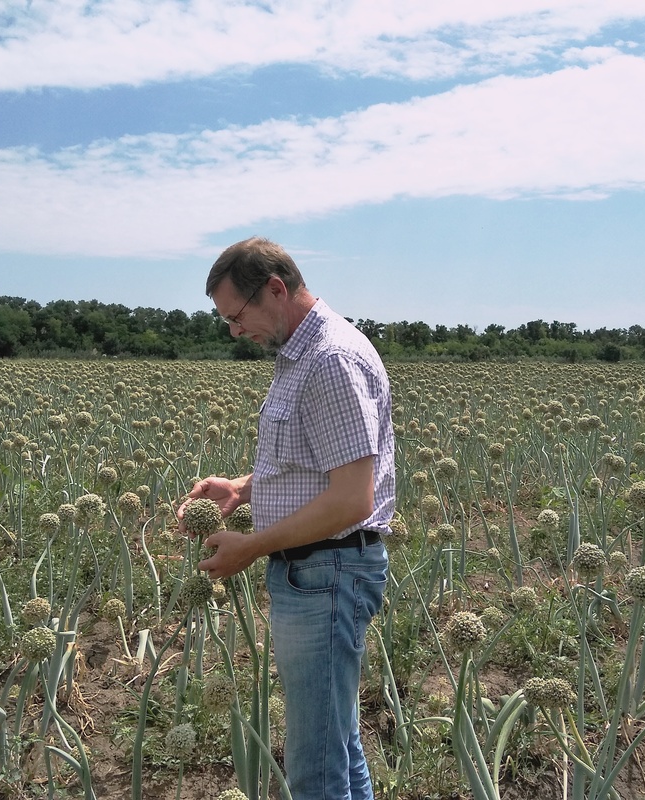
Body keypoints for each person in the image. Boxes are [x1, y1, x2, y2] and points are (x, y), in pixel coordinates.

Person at [180, 237, 395, 800]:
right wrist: (242, 489)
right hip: (318, 573)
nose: (234, 331)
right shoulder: (301, 356)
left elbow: (351, 500)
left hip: (328, 575)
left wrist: (252, 546)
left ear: (275, 289)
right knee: (337, 743)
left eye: (236, 316)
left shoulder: (330, 360)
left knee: (315, 769)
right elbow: (310, 466)